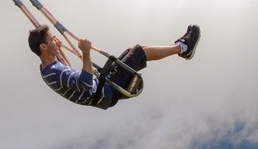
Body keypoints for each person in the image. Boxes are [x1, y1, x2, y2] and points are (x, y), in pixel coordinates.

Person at [27, 24, 200, 109]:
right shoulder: (54, 71)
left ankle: (182, 49)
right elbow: (84, 84)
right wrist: (86, 53)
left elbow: (66, 72)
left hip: (103, 88)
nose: (54, 40)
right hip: (106, 90)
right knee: (138, 52)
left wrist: (56, 49)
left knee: (134, 50)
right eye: (50, 39)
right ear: (43, 47)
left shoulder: (47, 69)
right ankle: (183, 47)